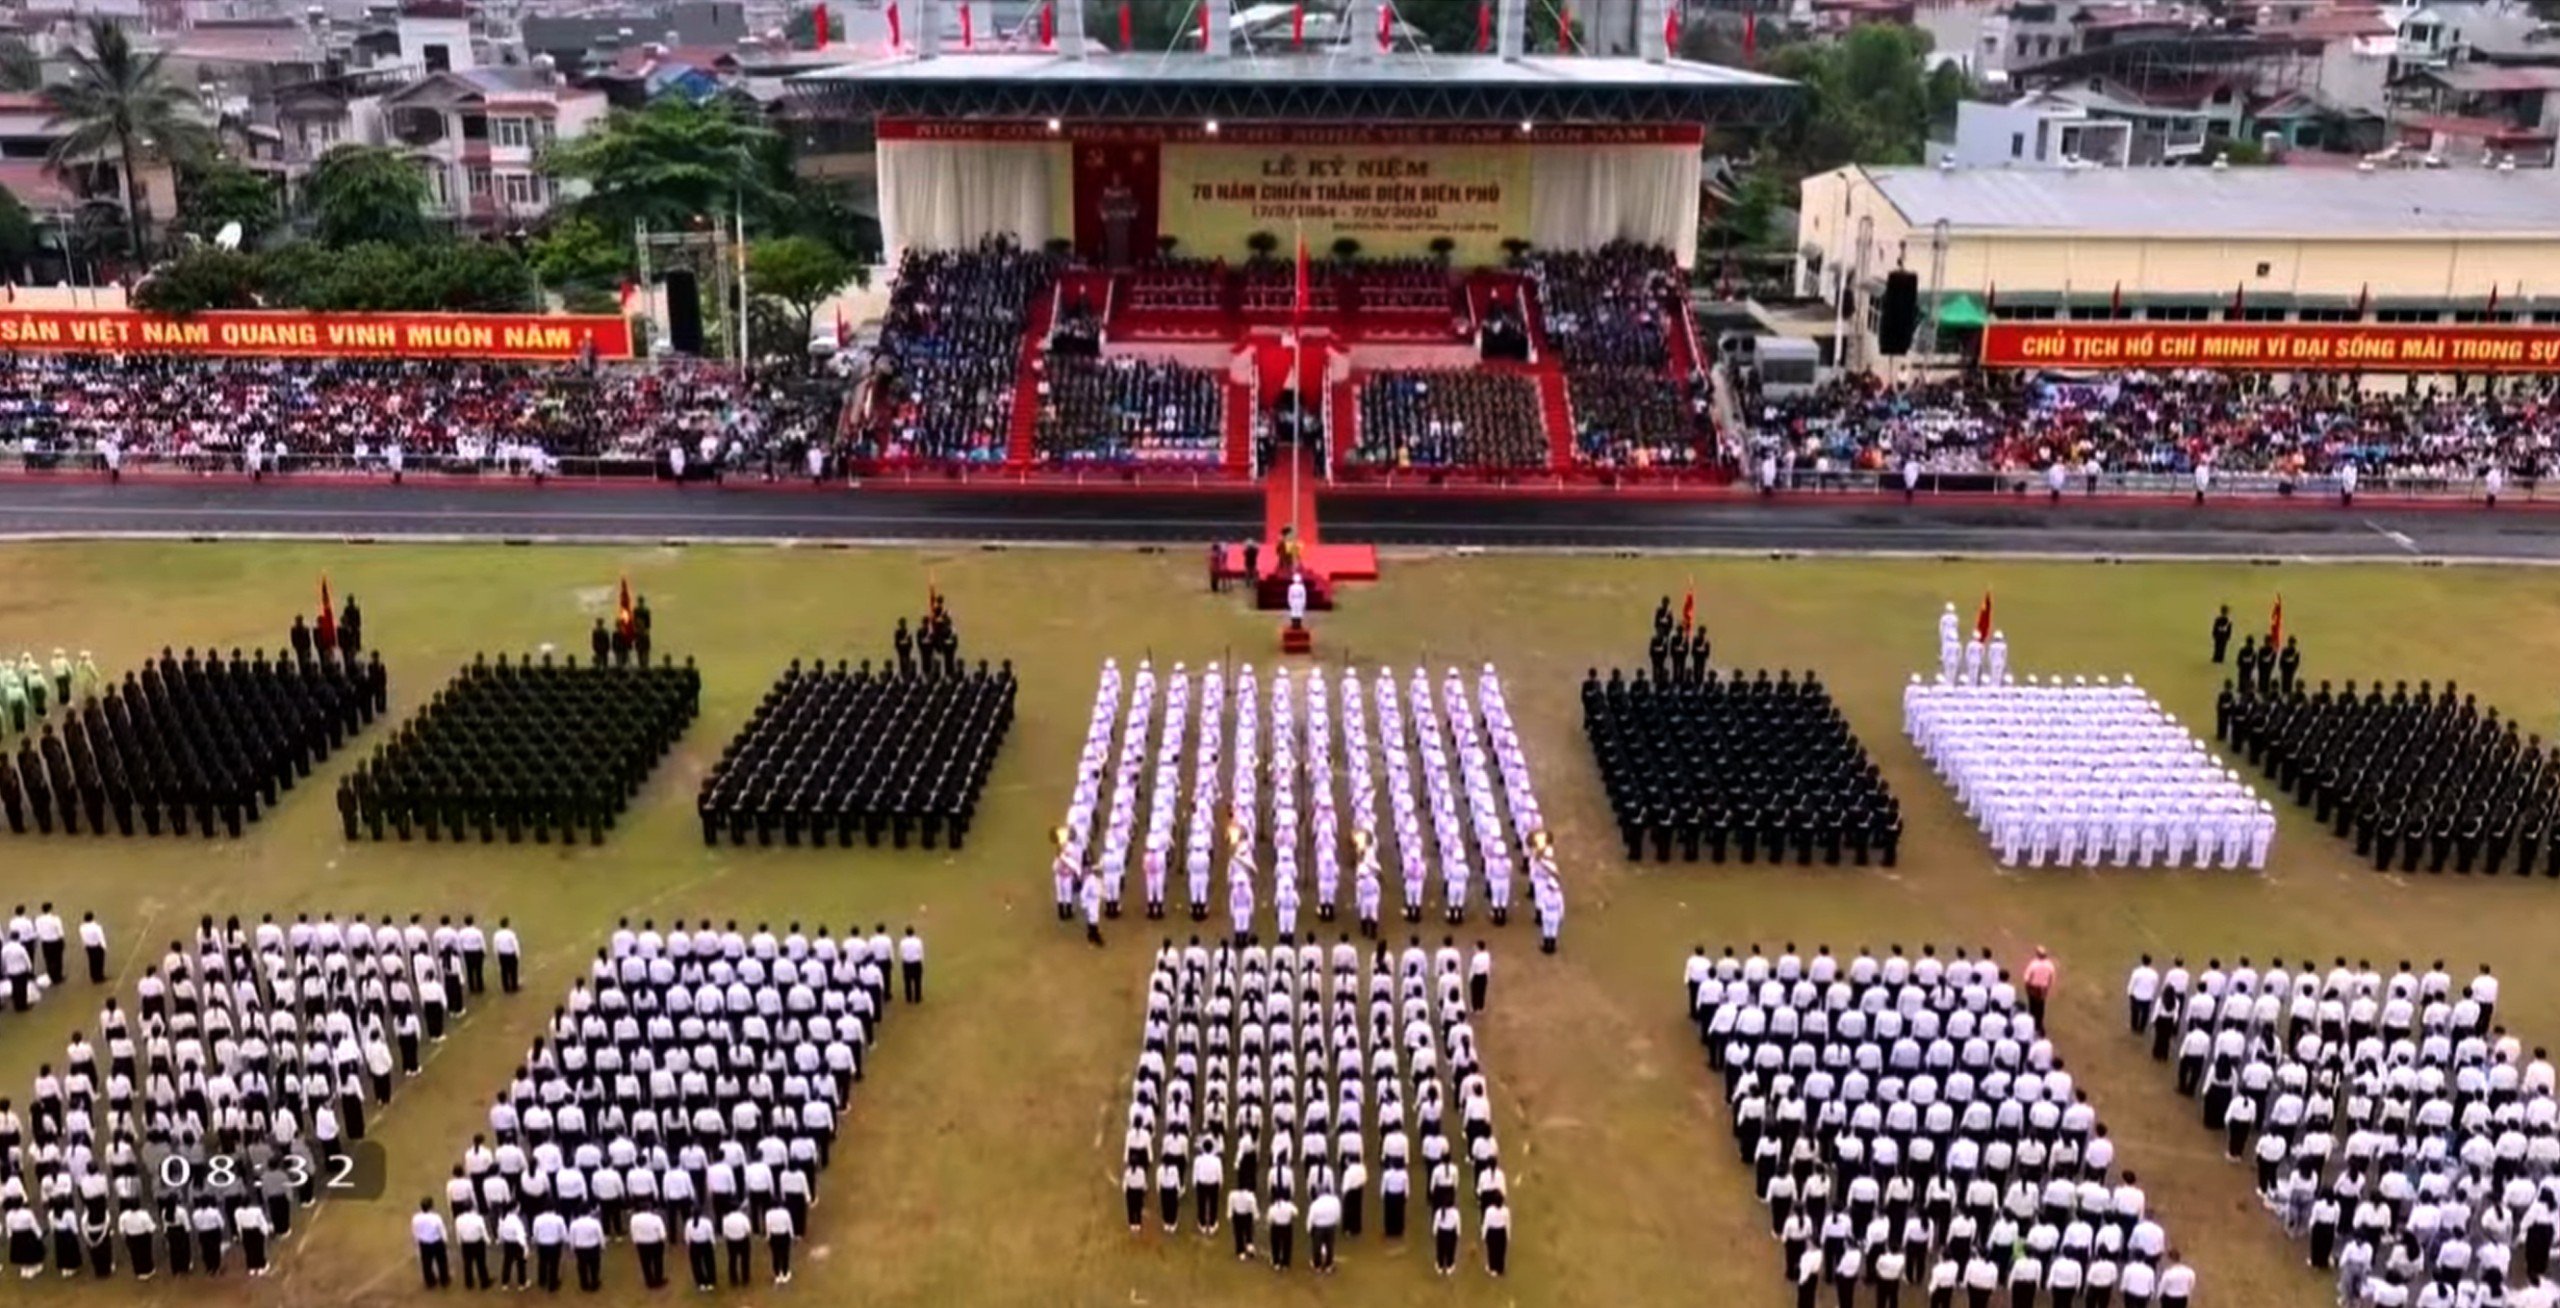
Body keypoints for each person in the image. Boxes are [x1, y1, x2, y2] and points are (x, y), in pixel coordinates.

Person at [412, 1200, 450, 1289]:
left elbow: (414, 1230)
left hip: (424, 1243)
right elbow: (442, 1230)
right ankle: (444, 1280)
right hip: (436, 1242)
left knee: (426, 1263)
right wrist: (445, 1240)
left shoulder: (416, 1218)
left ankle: (429, 1281)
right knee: (441, 1262)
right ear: (431, 1206)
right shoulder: (436, 1217)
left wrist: (418, 1240)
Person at [2023, 947, 2058, 1026]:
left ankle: (2031, 1022)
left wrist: (2027, 986)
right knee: (2041, 1005)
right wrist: (2048, 986)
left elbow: (2027, 977)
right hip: (2043, 988)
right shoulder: (2050, 965)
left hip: (2033, 987)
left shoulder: (2034, 964)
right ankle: (2039, 1023)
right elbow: (2052, 977)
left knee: (2032, 1004)